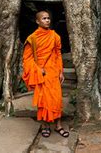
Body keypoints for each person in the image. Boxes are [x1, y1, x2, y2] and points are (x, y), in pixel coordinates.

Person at [22, 10, 69, 138]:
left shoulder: (55, 36)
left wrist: (61, 71)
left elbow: (58, 55)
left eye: (48, 18)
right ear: (38, 21)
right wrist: (37, 69)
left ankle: (58, 125)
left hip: (53, 72)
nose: (47, 20)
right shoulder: (32, 39)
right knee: (43, 101)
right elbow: (27, 58)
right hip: (41, 74)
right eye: (44, 18)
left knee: (57, 100)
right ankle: (45, 126)